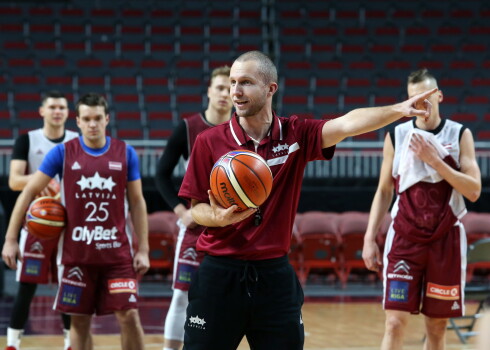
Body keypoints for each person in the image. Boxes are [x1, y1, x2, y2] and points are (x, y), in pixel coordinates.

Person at [178, 50, 439, 350]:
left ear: (270, 88)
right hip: (219, 275)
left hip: (273, 276)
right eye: (233, 82)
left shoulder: (295, 134)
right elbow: (196, 208)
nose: (235, 91)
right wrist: (217, 218)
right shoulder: (209, 142)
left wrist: (399, 109)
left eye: (246, 82)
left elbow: (348, 123)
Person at [2, 93, 150, 350]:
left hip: (117, 256)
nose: (92, 124)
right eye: (86, 119)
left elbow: (137, 202)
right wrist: (11, 239)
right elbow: (26, 192)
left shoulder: (125, 152)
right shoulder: (62, 153)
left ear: (106, 119)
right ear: (78, 122)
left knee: (128, 315)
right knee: (79, 323)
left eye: (97, 118)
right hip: (76, 256)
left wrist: (144, 249)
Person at [362, 68, 481, 350]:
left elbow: (473, 191)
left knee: (436, 328)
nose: (422, 104)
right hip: (405, 239)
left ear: (439, 95)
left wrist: (436, 160)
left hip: (445, 240)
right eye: (415, 98)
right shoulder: (397, 135)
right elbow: (384, 190)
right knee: (394, 323)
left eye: (428, 96)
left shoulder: (460, 134)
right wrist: (369, 238)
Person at [155, 66, 233, 350]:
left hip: (231, 228)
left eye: (230, 88)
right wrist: (181, 211)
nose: (225, 93)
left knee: (227, 299)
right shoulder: (188, 128)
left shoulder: (244, 129)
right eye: (220, 88)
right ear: (209, 91)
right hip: (196, 228)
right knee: (181, 295)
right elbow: (161, 174)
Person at [4, 91, 78, 350]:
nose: (57, 111)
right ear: (42, 111)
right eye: (53, 107)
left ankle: (71, 342)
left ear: (68, 113)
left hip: (68, 221)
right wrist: (42, 179)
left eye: (62, 107)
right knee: (27, 285)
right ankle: (12, 343)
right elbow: (14, 180)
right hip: (37, 219)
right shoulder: (27, 139)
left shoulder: (76, 141)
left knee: (67, 282)